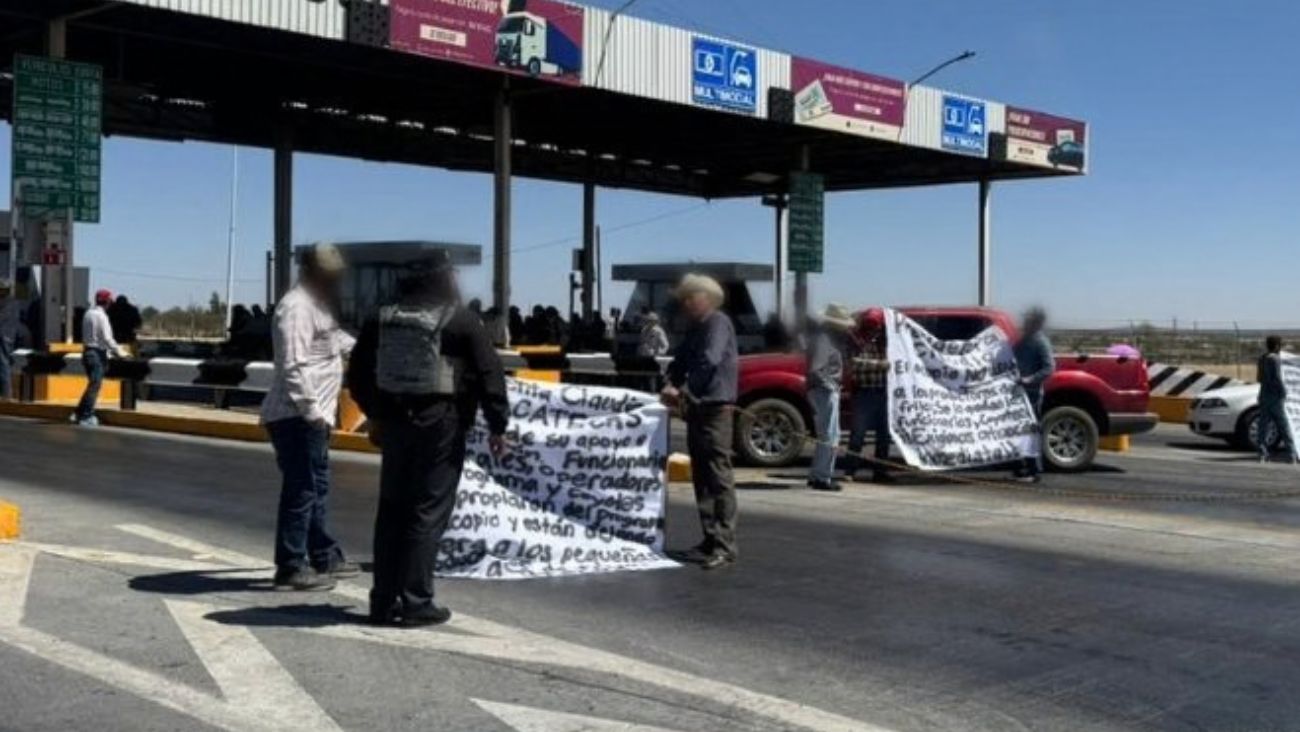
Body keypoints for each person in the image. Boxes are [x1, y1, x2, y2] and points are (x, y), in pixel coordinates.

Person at [348, 252, 510, 626]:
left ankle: (383, 601)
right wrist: (498, 425)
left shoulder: (382, 317)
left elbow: (357, 374)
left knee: (391, 512)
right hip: (441, 424)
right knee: (427, 511)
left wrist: (376, 413)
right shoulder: (462, 320)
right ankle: (418, 601)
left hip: (394, 424)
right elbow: (490, 374)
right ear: (443, 278)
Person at [260, 244, 358, 592]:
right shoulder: (296, 308)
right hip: (296, 415)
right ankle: (290, 565)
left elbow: (338, 343)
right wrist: (313, 412)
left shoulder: (318, 307)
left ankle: (324, 555)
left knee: (316, 486)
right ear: (310, 272)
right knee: (302, 489)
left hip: (312, 416)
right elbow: (293, 365)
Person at [662, 274, 739, 571]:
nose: (686, 302)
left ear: (706, 297)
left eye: (691, 296)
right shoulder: (697, 327)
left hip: (714, 407)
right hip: (698, 408)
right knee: (702, 476)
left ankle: (724, 544)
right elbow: (681, 361)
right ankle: (710, 537)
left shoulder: (717, 322)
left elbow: (709, 359)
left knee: (718, 476)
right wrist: (670, 381)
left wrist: (684, 390)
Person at [806, 305, 855, 492]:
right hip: (824, 390)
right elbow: (816, 369)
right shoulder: (825, 340)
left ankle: (818, 475)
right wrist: (831, 386)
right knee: (830, 435)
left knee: (827, 434)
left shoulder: (826, 338)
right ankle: (822, 477)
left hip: (822, 389)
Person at [845, 308, 892, 484]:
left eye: (877, 325)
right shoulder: (855, 341)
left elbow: (893, 364)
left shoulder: (886, 341)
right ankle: (850, 470)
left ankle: (880, 472)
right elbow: (854, 364)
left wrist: (880, 364)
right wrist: (881, 365)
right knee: (857, 435)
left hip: (882, 393)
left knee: (883, 437)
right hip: (863, 393)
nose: (874, 329)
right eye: (870, 325)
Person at [1013, 307, 1056, 483]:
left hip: (1031, 395)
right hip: (1019, 394)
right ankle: (1022, 468)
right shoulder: (1024, 340)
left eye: (1028, 319)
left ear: (1037, 322)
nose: (1024, 322)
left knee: (1031, 432)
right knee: (1019, 432)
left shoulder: (1040, 342)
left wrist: (1030, 379)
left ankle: (1033, 471)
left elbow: (1049, 367)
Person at [75, 290, 126, 426]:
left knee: (92, 385)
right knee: (95, 386)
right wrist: (120, 352)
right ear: (107, 302)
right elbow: (107, 338)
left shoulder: (88, 313)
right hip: (97, 354)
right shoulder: (102, 316)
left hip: (87, 352)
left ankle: (79, 412)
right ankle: (86, 416)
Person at [1256, 335, 1296, 464]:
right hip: (1275, 397)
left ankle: (1262, 453)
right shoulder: (1275, 359)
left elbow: (1259, 378)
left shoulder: (1262, 358)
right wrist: (1283, 392)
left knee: (1263, 425)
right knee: (1283, 425)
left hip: (1263, 395)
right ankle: (1291, 454)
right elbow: (1278, 378)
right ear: (1278, 346)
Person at [0, 279, 22, 400]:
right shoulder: (13, 302)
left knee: (3, 364)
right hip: (9, 337)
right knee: (5, 363)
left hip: (3, 337)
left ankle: (5, 394)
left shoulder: (5, 303)